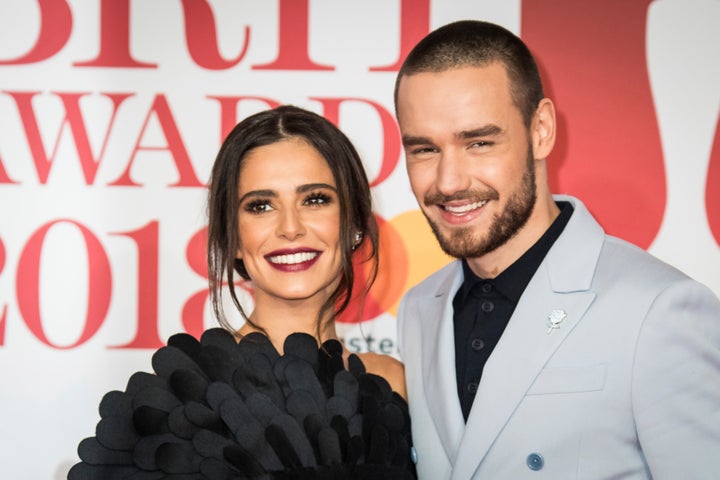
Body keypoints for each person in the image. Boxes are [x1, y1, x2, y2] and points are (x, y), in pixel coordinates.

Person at [394, 20, 720, 480]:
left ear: (541, 130)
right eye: (424, 150)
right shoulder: (417, 309)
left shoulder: (658, 310)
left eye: (479, 142)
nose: (449, 182)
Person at [69, 105, 416, 479]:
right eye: (261, 206)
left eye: (314, 199)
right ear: (231, 238)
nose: (290, 227)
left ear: (354, 225)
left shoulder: (395, 384)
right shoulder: (179, 401)